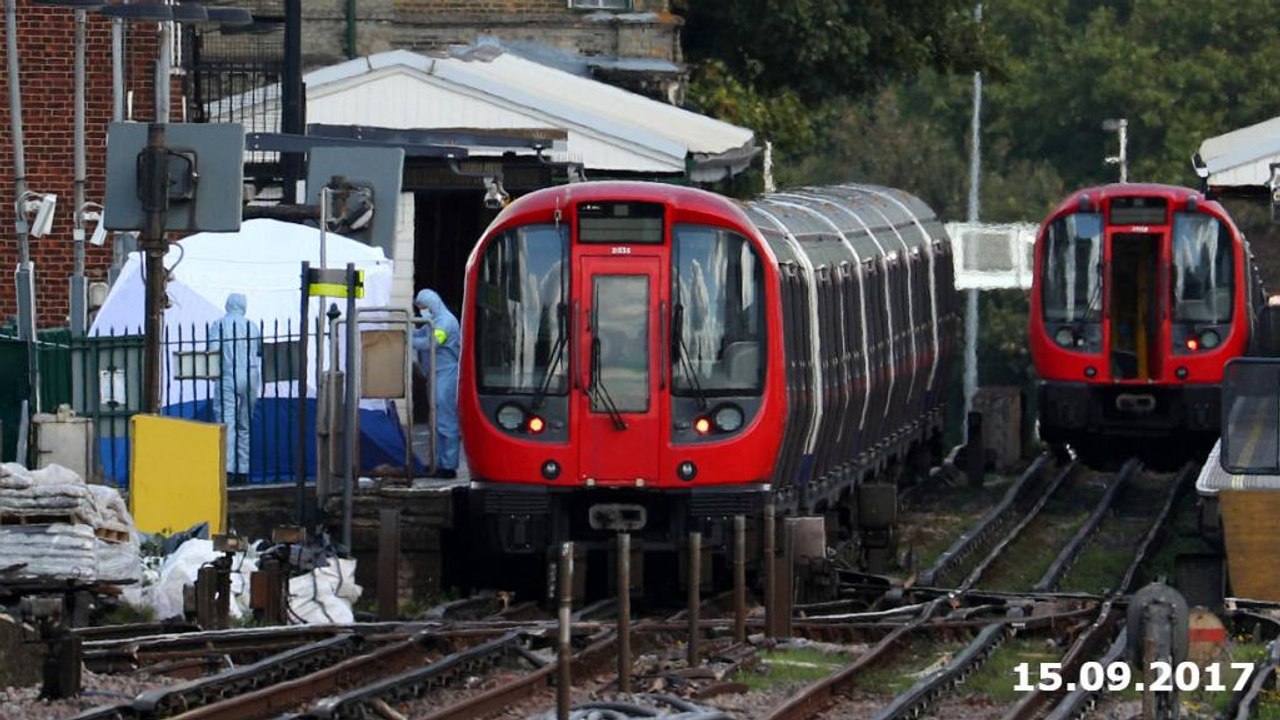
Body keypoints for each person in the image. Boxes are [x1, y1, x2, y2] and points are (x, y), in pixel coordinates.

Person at [208, 293, 262, 481]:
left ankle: (228, 469)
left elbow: (213, 350)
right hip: (250, 373)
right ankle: (243, 470)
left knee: (227, 423)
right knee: (245, 423)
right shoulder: (252, 326)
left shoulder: (219, 325)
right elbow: (260, 351)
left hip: (227, 374)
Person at [412, 288, 461, 478]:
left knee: (446, 421)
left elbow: (431, 343)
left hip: (446, 376)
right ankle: (438, 462)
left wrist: (407, 339)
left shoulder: (446, 322)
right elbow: (420, 334)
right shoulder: (434, 321)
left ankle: (449, 465)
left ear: (432, 305)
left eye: (423, 307)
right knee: (435, 421)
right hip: (435, 375)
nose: (421, 311)